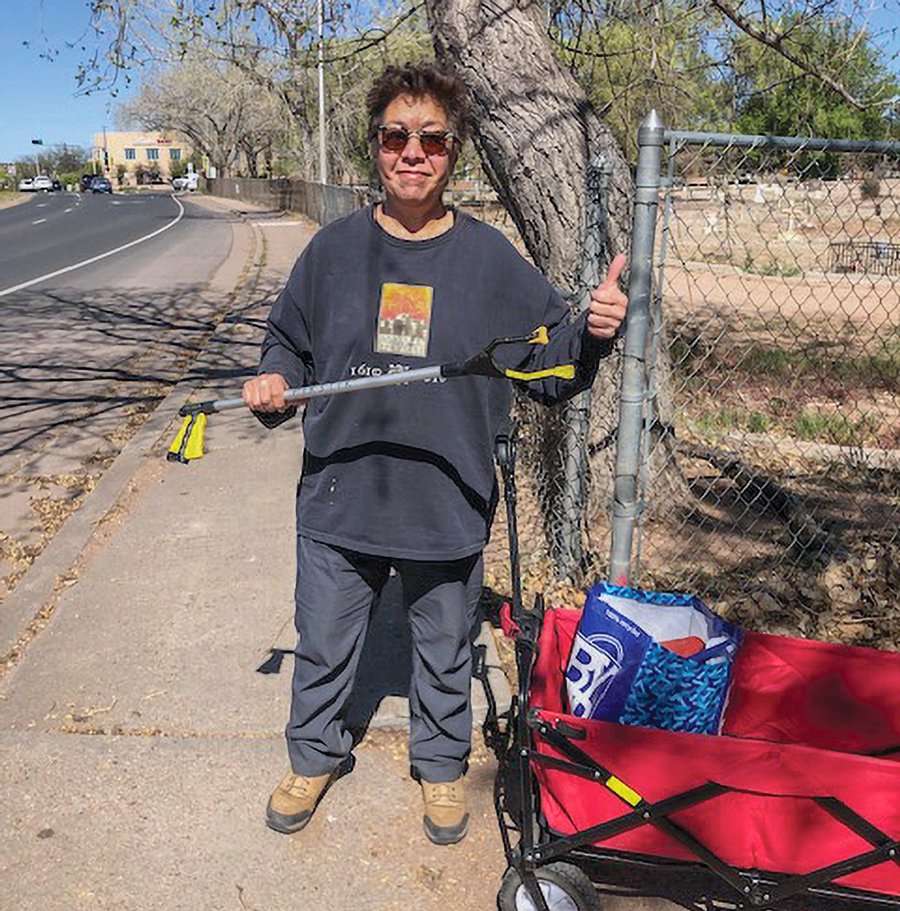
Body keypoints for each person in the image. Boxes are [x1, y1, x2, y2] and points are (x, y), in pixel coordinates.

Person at [242, 62, 628, 845]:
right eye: (394, 135)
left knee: (447, 650)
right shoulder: (333, 251)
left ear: (454, 154)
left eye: (432, 139)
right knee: (322, 643)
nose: (411, 153)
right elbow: (287, 339)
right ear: (374, 147)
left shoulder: (488, 260)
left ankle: (443, 764)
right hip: (340, 496)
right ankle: (312, 754)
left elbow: (547, 361)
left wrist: (591, 331)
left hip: (446, 502)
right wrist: (275, 375)